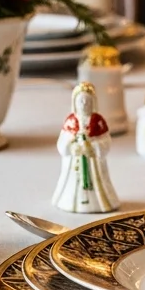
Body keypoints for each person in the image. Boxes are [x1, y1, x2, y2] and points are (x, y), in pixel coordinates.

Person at [53, 82, 119, 213]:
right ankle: (71, 201)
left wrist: (93, 146)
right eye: (81, 101)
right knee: (72, 182)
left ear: (93, 102)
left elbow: (106, 141)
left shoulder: (98, 121)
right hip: (75, 163)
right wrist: (72, 144)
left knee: (97, 182)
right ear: (75, 103)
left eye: (87, 100)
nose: (84, 104)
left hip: (93, 162)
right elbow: (63, 142)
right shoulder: (71, 121)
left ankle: (99, 202)